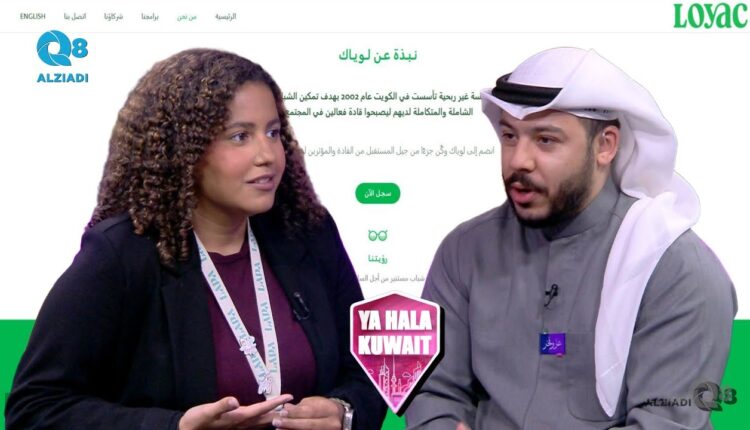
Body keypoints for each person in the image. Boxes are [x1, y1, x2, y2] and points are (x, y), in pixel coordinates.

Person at [5, 48, 385, 430]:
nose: (268, 154)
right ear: (185, 150)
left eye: (272, 132)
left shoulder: (308, 232)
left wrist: (345, 411)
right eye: (240, 136)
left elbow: (370, 367)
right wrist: (175, 427)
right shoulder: (122, 255)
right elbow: (35, 408)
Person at [405, 47, 736, 429]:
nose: (518, 160)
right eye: (510, 136)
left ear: (605, 146)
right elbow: (433, 392)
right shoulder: (465, 251)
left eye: (545, 140)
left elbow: (663, 423)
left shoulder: (675, 270)